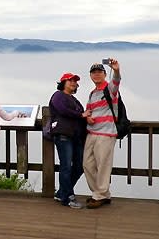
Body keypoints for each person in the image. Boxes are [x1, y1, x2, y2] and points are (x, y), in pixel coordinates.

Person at [49, 73, 91, 209]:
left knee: (79, 166)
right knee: (66, 166)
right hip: (63, 135)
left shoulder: (75, 100)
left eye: (75, 81)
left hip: (75, 137)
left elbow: (83, 116)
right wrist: (80, 115)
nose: (73, 83)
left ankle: (62, 192)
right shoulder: (58, 95)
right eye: (70, 80)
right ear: (63, 83)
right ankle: (68, 197)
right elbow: (62, 110)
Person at [83, 59, 121, 209]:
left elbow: (116, 81)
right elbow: (89, 111)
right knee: (87, 164)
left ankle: (100, 195)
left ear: (105, 74)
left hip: (106, 133)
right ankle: (99, 193)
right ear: (91, 76)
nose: (97, 75)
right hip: (92, 131)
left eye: (100, 72)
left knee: (103, 165)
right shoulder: (92, 93)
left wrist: (116, 70)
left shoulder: (109, 89)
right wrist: (88, 117)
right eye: (94, 72)